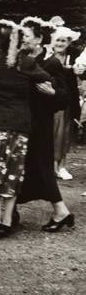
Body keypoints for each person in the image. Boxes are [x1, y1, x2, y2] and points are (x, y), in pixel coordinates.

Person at [0, 19, 53, 238]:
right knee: (13, 173)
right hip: (18, 126)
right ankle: (7, 220)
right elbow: (47, 82)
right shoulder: (26, 62)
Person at [16, 16, 74, 232]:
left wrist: (52, 92)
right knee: (24, 166)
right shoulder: (20, 58)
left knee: (41, 167)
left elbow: (65, 96)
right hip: (22, 122)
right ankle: (10, 213)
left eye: (27, 37)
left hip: (40, 124)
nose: (23, 40)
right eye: (21, 36)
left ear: (40, 39)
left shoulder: (50, 63)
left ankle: (61, 212)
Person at [52, 26, 83, 180]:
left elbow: (83, 72)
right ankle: (50, 167)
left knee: (65, 134)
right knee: (50, 133)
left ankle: (62, 166)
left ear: (69, 42)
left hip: (68, 101)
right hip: (50, 100)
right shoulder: (46, 56)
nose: (60, 43)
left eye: (63, 40)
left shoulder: (75, 56)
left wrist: (78, 70)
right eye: (58, 40)